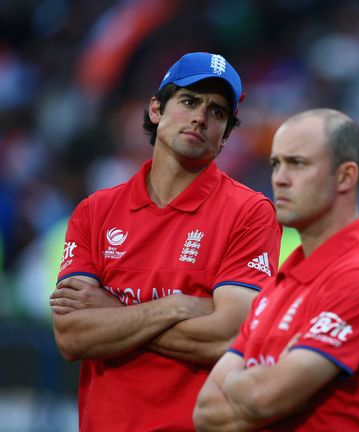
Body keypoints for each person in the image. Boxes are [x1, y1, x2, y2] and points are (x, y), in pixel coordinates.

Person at [49, 52, 282, 431]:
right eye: (189, 101)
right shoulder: (95, 210)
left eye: (217, 112)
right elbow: (71, 335)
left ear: (225, 136)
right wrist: (176, 306)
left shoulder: (250, 211)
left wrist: (112, 311)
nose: (201, 118)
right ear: (156, 109)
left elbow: (230, 336)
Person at [193, 108, 359, 431]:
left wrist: (247, 386)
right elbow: (206, 412)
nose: (279, 178)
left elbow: (264, 396)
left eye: (297, 163)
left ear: (345, 177)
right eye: (275, 163)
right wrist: (273, 380)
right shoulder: (278, 284)